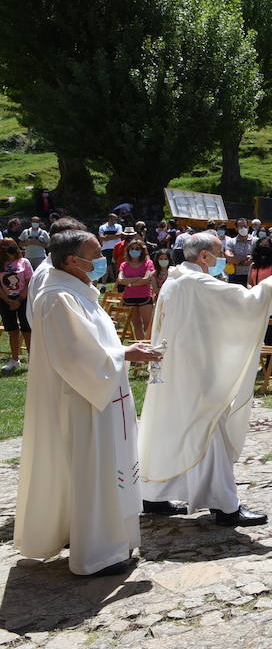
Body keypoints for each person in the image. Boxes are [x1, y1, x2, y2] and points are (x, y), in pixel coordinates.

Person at [15, 230, 162, 575]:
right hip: (84, 399)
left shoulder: (76, 290)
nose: (103, 260)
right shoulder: (57, 297)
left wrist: (122, 353)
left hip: (103, 393)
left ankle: (103, 539)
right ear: (71, 260)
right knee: (94, 470)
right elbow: (74, 355)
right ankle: (97, 554)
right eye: (95, 254)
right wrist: (127, 352)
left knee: (106, 467)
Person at [139, 232, 272, 527]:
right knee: (209, 431)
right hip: (195, 373)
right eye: (219, 252)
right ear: (205, 256)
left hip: (175, 370)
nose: (223, 257)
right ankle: (225, 506)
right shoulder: (195, 281)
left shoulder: (175, 279)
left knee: (170, 429)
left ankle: (153, 495)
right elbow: (246, 302)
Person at [2, 239, 35, 371]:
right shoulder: (0, 263)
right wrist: (9, 300)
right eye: (3, 247)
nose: (7, 249)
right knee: (12, 331)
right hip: (5, 300)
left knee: (27, 330)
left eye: (10, 246)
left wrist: (20, 299)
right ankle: (15, 360)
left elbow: (29, 282)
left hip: (23, 299)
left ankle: (34, 359)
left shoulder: (24, 262)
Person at [117, 237, 156, 341]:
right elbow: (120, 279)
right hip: (129, 297)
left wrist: (129, 282)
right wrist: (138, 279)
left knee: (147, 324)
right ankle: (141, 346)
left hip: (145, 297)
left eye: (137, 248)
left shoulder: (148, 263)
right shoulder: (124, 264)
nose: (134, 250)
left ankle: (148, 345)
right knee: (137, 325)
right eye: (132, 248)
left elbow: (147, 279)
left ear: (142, 250)